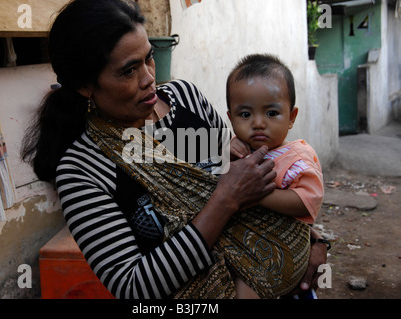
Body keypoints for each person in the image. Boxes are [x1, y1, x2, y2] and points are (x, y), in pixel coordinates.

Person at [21, 0, 328, 299]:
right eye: (129, 71)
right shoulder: (83, 168)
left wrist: (312, 240)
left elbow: (252, 176)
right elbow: (132, 286)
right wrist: (224, 202)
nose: (149, 78)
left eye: (149, 58)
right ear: (85, 85)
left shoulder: (186, 99)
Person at [226, 53, 325, 298]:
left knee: (246, 290)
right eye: (245, 115)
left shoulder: (297, 157)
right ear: (230, 118)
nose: (258, 123)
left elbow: (308, 200)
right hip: (243, 248)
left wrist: (259, 196)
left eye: (271, 113)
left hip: (276, 256)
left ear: (291, 117)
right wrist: (226, 154)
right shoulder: (238, 150)